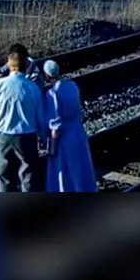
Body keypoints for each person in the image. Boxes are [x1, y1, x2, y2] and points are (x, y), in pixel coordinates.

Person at [0, 52, 47, 192]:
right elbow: (40, 116)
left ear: (9, 66)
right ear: (25, 67)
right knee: (28, 175)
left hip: (2, 136)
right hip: (26, 137)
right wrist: (42, 137)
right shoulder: (33, 88)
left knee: (4, 176)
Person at [42, 60, 98, 192]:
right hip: (77, 131)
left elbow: (55, 126)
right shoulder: (73, 86)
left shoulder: (52, 94)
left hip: (64, 137)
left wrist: (52, 148)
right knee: (81, 166)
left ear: (47, 75)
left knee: (65, 170)